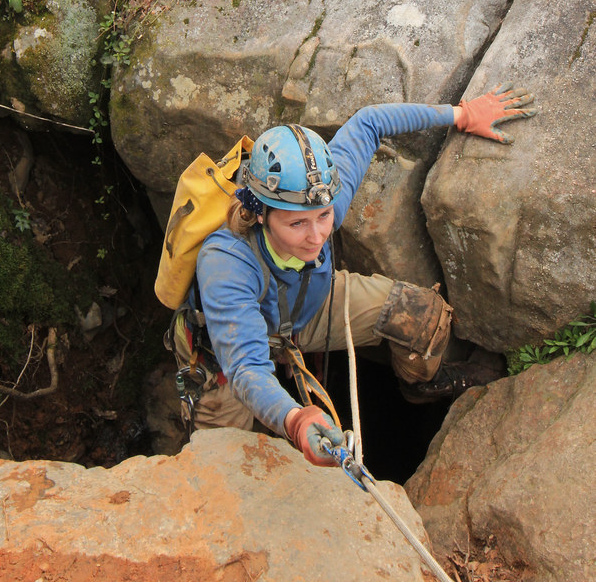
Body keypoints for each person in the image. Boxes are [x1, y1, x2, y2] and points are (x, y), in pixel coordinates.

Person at [169, 84, 535, 466]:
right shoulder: (226, 260)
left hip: (304, 310)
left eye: (324, 217)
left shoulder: (317, 198)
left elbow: (370, 121)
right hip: (226, 360)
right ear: (260, 213)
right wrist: (296, 420)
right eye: (297, 225)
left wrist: (461, 115)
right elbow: (245, 365)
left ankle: (422, 386)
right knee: (225, 464)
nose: (317, 236)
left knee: (421, 315)